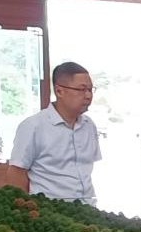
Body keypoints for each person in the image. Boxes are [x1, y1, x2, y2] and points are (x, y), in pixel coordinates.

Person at [6, 62, 101, 204]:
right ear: (59, 91)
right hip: (49, 210)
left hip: (87, 209)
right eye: (81, 89)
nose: (88, 96)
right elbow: (16, 173)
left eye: (90, 89)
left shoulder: (89, 126)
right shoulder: (33, 126)